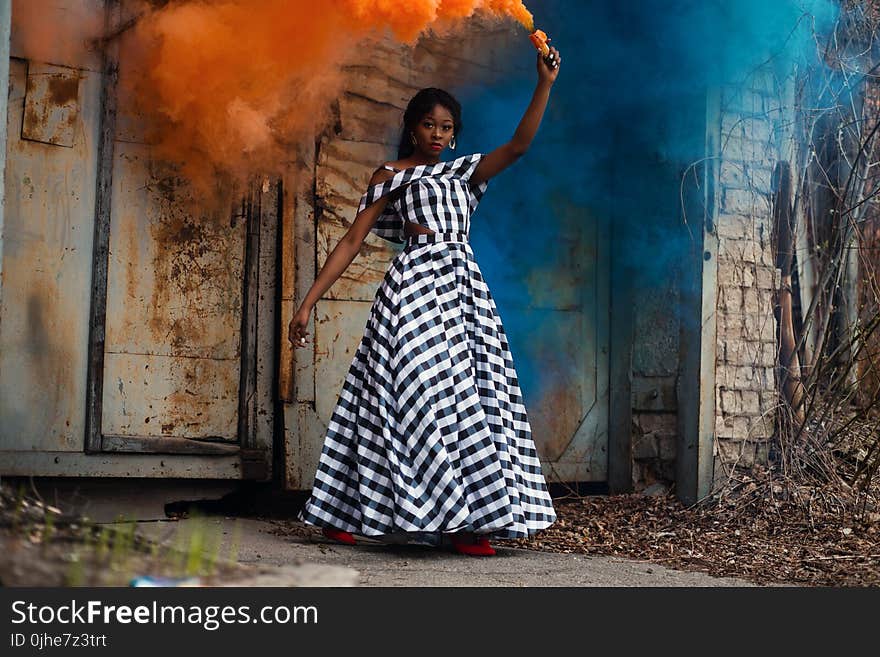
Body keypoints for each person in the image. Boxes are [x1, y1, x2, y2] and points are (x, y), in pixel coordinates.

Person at [289, 42, 563, 557]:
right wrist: (307, 304)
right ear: (412, 127)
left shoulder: (464, 173)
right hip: (412, 287)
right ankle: (346, 514)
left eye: (447, 129)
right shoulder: (391, 177)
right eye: (430, 126)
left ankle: (467, 523)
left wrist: (544, 83)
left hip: (463, 292)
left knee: (469, 397)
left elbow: (520, 146)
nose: (438, 136)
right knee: (403, 393)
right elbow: (351, 241)